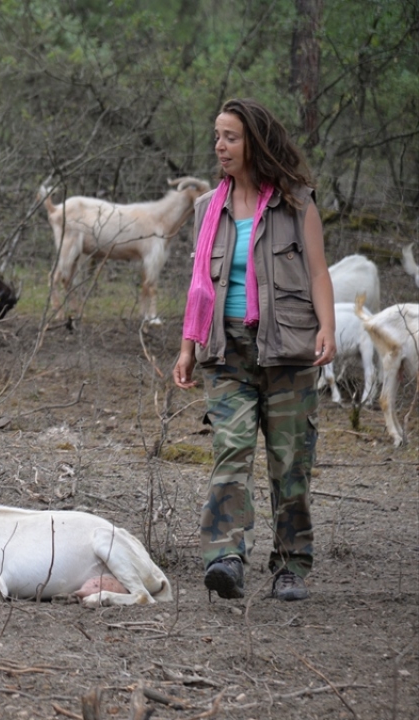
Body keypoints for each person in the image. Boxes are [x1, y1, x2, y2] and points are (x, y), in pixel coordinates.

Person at [173, 98, 335, 602]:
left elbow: (316, 272)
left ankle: (291, 567)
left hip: (289, 349)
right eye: (217, 136)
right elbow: (199, 285)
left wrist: (328, 328)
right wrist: (186, 347)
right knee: (231, 450)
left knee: (290, 462)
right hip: (226, 351)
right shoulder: (207, 209)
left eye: (231, 137)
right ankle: (225, 557)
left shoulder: (297, 202)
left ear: (255, 143)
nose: (220, 146)